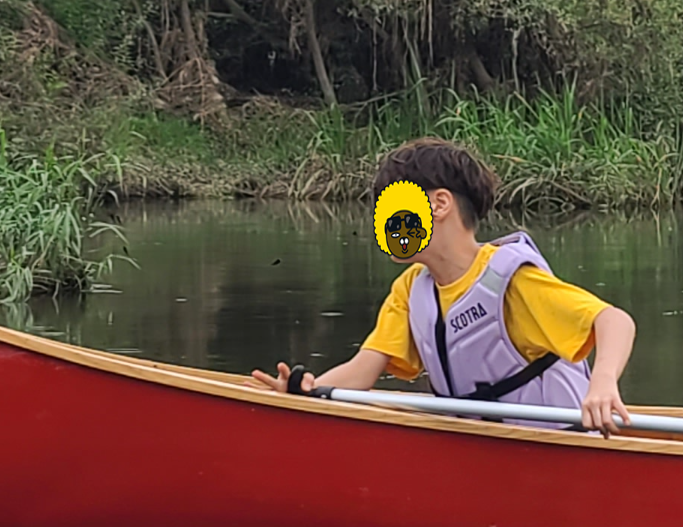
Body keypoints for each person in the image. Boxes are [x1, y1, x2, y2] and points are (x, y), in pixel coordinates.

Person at [250, 137, 638, 433]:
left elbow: (614, 321)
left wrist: (602, 385)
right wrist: (302, 394)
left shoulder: (509, 279)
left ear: (438, 204)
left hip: (554, 444)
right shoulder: (411, 290)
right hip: (476, 444)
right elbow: (361, 373)